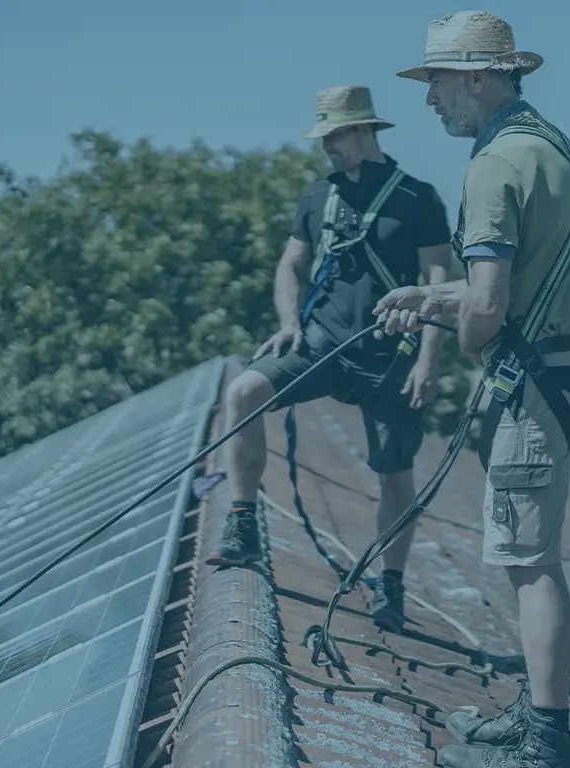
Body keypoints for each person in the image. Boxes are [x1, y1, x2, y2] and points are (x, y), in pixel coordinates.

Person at [374, 11, 570, 768]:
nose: (430, 101)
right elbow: (513, 288)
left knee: (527, 558)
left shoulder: (490, 167)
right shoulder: (550, 147)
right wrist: (430, 297)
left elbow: (487, 308)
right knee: (525, 551)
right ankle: (535, 709)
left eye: (437, 83)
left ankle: (546, 741)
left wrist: (460, 330)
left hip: (542, 374)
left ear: (480, 76)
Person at [208, 84, 454, 632]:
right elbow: (290, 265)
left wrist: (429, 361)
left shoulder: (418, 199)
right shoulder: (319, 196)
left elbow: (439, 280)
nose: (326, 148)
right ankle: (243, 524)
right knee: (242, 391)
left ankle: (389, 583)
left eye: (334, 136)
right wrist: (289, 323)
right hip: (321, 345)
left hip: (393, 357)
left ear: (364, 131)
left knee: (394, 473)